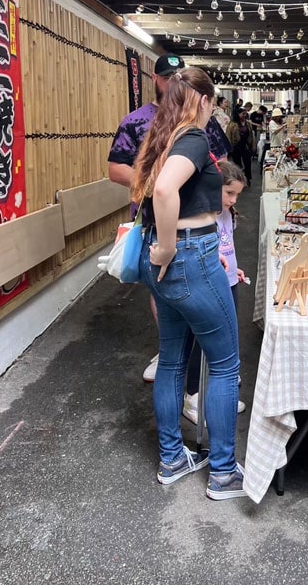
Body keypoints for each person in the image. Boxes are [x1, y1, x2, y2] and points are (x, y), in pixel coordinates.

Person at [132, 66, 246, 499]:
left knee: (172, 361)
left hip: (171, 261)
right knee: (224, 364)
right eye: (213, 102)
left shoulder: (162, 137)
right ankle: (222, 471)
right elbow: (164, 191)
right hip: (185, 258)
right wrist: (170, 246)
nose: (213, 110)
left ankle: (172, 458)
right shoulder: (195, 138)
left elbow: (168, 192)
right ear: (201, 100)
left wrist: (166, 247)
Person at [108, 52, 184, 382]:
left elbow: (220, 160)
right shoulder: (136, 121)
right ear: (155, 79)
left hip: (194, 218)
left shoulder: (196, 118)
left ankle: (199, 358)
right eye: (168, 78)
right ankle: (169, 351)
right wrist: (151, 182)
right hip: (150, 218)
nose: (173, 85)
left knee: (195, 284)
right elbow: (115, 169)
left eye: (179, 79)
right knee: (160, 287)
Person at [183, 161, 248, 425]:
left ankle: (220, 394)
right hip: (210, 284)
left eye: (237, 195)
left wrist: (235, 269)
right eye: (229, 193)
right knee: (201, 341)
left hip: (229, 280)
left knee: (227, 338)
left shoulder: (227, 214)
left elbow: (227, 248)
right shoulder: (203, 216)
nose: (233, 200)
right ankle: (193, 396)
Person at [226, 109, 256, 186]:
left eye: (245, 114)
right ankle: (239, 179)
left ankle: (248, 178)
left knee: (247, 162)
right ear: (238, 114)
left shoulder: (247, 123)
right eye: (243, 114)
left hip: (246, 145)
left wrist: (253, 146)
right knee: (237, 164)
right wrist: (229, 147)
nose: (244, 115)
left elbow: (251, 135)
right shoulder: (232, 124)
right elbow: (228, 135)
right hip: (236, 146)